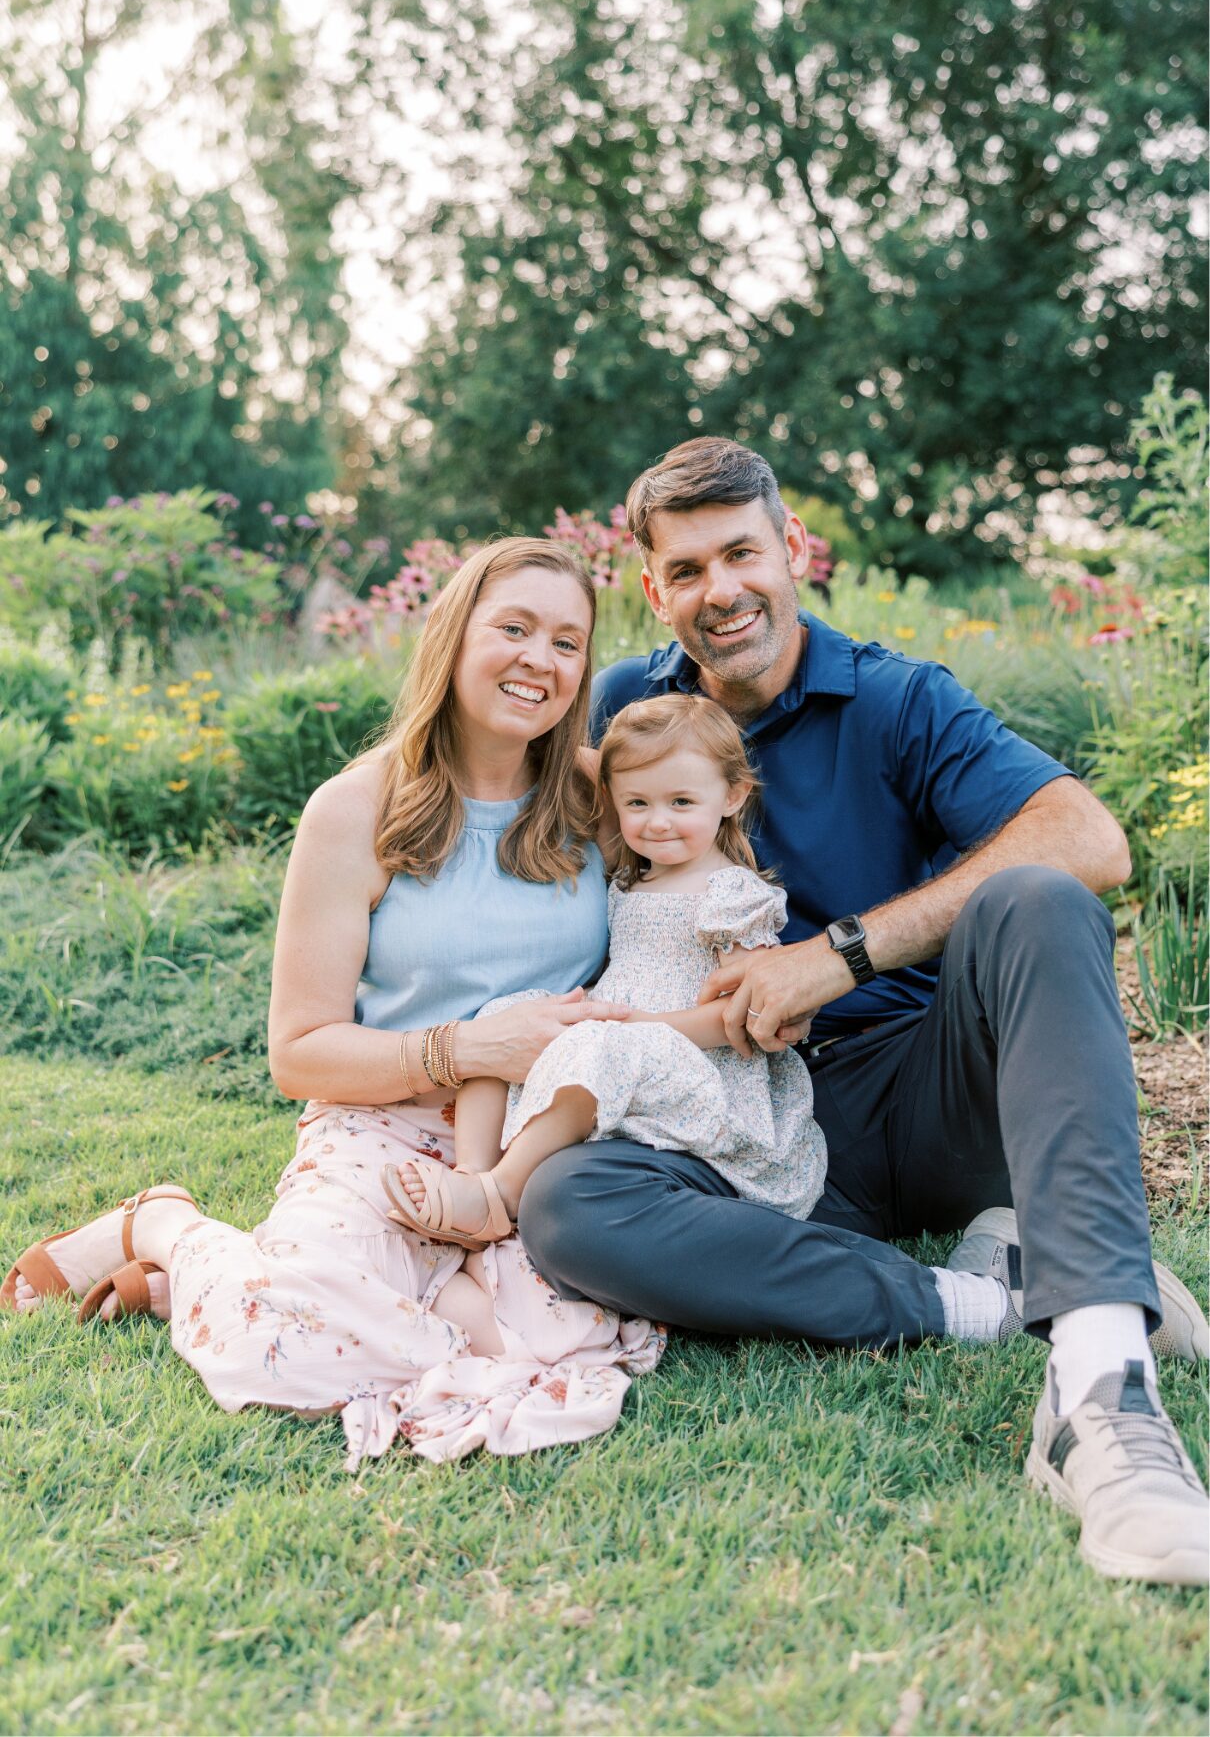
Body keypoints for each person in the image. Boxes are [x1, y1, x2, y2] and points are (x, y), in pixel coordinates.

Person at [517, 436, 1210, 1588]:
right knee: (564, 1201)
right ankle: (979, 1292)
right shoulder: (626, 709)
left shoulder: (897, 696)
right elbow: (485, 798)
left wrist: (834, 957)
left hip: (924, 1092)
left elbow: (1093, 839)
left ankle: (1099, 1389)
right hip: (742, 1124)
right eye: (685, 569)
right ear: (652, 588)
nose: (720, 589)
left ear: (790, 550)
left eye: (741, 552)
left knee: (1037, 895)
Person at [2, 538, 663, 1467]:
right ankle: (166, 1228)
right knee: (287, 1349)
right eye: (513, 628)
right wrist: (466, 1049)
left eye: (566, 643)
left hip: (531, 1150)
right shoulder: (356, 811)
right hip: (378, 1129)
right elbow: (299, 1051)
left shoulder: (598, 800)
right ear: (452, 634)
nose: (539, 661)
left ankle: (215, 1284)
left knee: (561, 1347)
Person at [382, 692, 826, 1244]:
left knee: (598, 1046)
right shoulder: (629, 882)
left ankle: (502, 1194)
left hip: (703, 1069)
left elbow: (741, 1017)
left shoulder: (730, 894)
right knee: (503, 1018)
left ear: (732, 795)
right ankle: (475, 1173)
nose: (658, 822)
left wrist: (628, 1027)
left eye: (682, 802)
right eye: (637, 803)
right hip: (624, 1040)